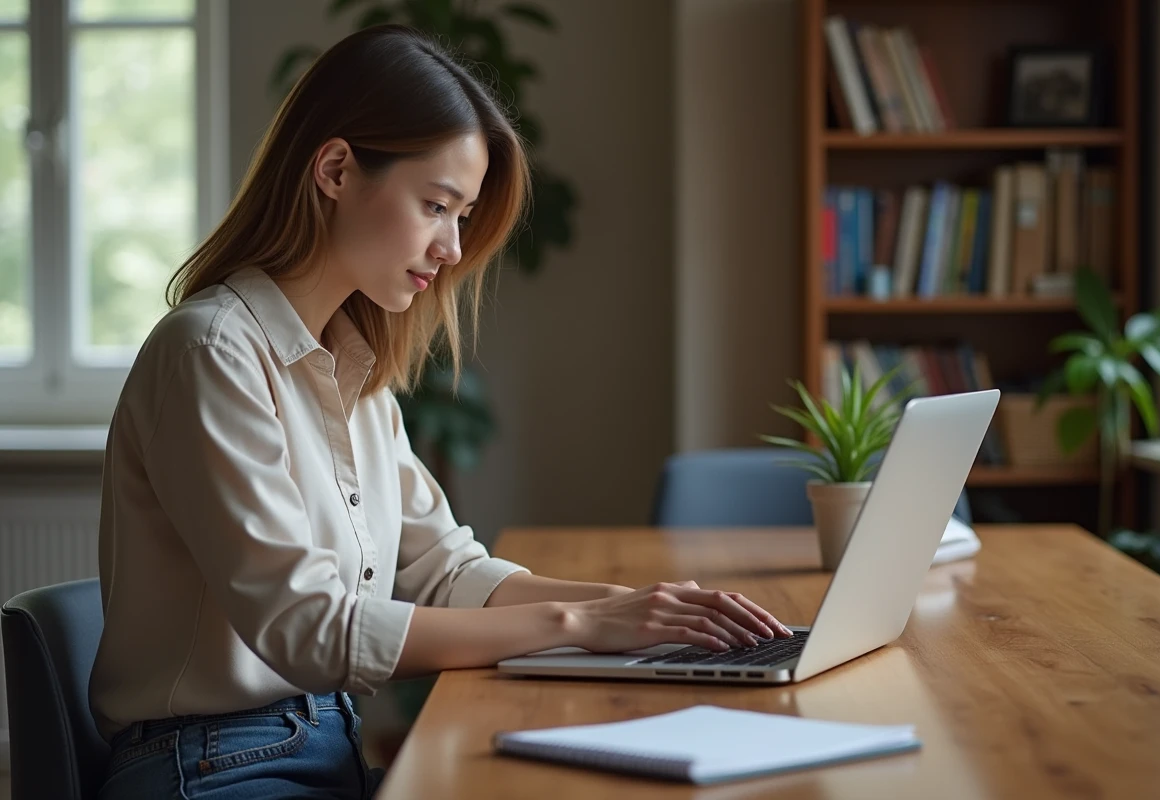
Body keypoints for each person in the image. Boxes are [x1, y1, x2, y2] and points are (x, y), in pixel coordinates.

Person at [88, 24, 791, 800]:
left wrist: (642, 611)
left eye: (461, 216)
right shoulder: (212, 353)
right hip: (210, 765)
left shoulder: (356, 374)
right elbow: (310, 628)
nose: (454, 247)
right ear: (334, 169)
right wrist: (578, 626)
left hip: (316, 745)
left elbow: (445, 571)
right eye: (437, 206)